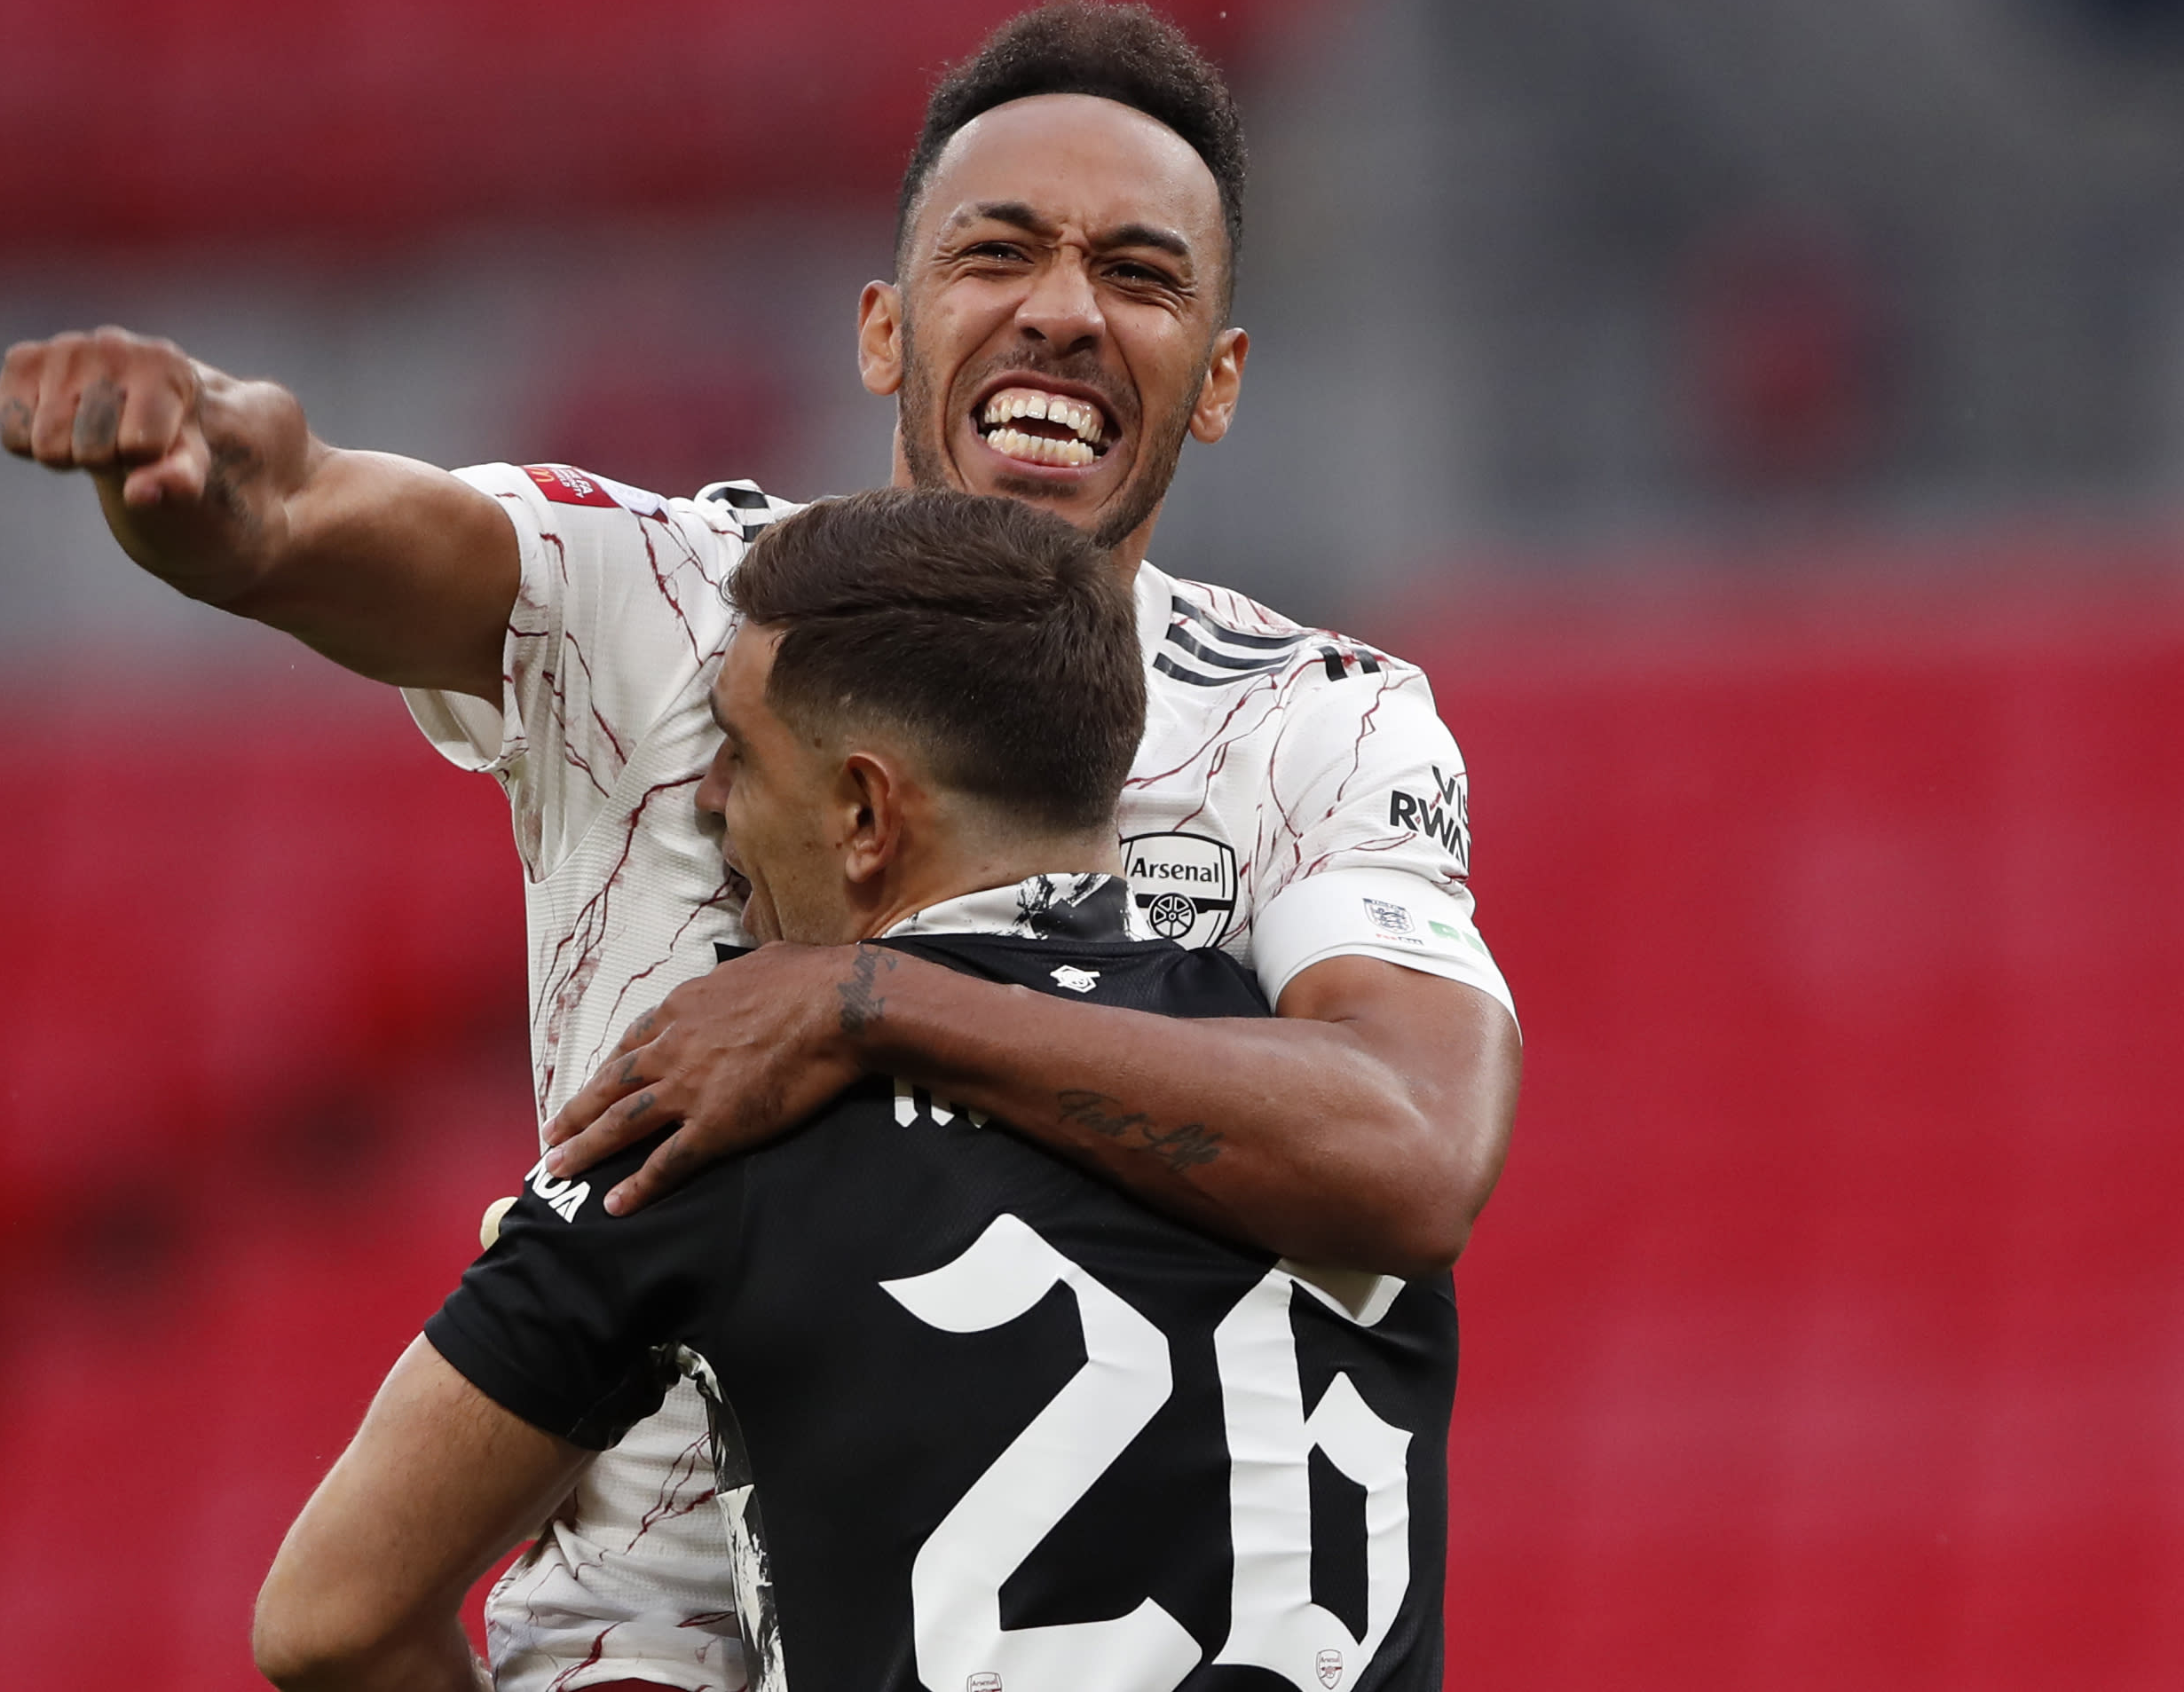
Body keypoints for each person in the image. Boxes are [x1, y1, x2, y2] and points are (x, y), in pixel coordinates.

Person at [0, 0, 1518, 1692]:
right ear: (884, 328)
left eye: (1142, 277)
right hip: (641, 1644)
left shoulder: (1319, 717)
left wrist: (860, 1002)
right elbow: (330, 528)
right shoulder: (668, 600)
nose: (1067, 311)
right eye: (997, 251)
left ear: (1221, 378)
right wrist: (231, 494)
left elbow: (1417, 1149)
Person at [251, 490, 1454, 1692]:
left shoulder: (708, 1121)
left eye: (739, 749)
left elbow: (329, 1622)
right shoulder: (1331, 1123)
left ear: (867, 814)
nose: (711, 794)